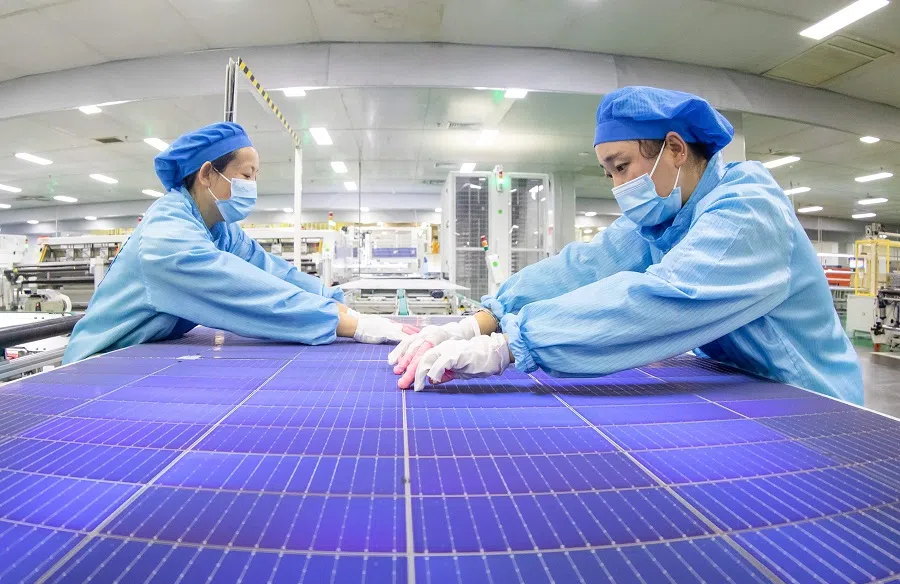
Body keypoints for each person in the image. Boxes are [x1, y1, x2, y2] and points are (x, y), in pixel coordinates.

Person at [391, 86, 863, 402]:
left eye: (621, 166)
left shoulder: (748, 209)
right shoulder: (668, 216)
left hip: (807, 397)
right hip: (744, 386)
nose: (617, 185)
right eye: (608, 173)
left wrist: (512, 344)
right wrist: (477, 323)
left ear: (676, 149)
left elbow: (666, 296)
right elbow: (586, 266)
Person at [63, 122, 414, 364]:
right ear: (206, 174)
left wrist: (338, 303)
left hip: (140, 358)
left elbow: (272, 272)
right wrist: (348, 324)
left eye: (255, 177)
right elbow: (244, 290)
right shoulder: (166, 238)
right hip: (98, 367)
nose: (252, 186)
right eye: (246, 175)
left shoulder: (218, 227)